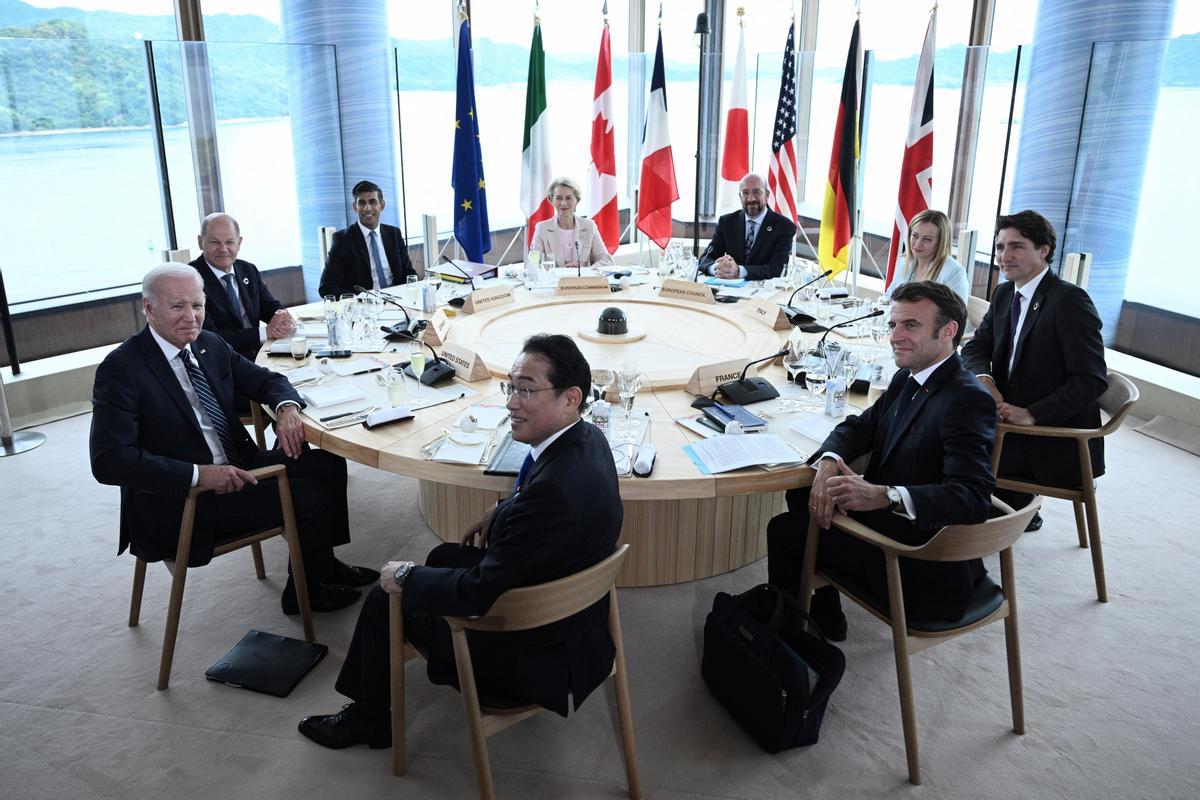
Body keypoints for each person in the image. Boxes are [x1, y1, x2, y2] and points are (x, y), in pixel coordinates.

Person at [298, 334, 622, 750]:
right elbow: (547, 501)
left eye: (525, 390)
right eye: (511, 387)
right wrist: (504, 508)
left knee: (387, 593)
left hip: (532, 651)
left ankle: (369, 719)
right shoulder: (590, 439)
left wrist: (406, 575)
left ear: (570, 398)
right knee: (443, 555)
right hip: (581, 624)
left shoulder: (552, 496)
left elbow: (475, 594)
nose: (511, 403)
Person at [90, 263, 379, 615]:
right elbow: (109, 460)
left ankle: (320, 569)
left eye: (197, 306)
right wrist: (199, 474)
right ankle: (305, 592)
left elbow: (266, 380)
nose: (191, 317)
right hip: (185, 500)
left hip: (237, 465)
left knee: (327, 463)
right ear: (148, 308)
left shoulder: (208, 344)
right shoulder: (122, 368)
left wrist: (287, 408)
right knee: (308, 494)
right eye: (177, 306)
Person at [767, 281, 997, 640]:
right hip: (896, 529)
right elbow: (860, 426)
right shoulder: (910, 376)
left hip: (921, 560)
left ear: (948, 331)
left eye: (911, 325)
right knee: (807, 491)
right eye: (893, 325)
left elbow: (973, 498)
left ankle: (785, 644)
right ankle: (824, 617)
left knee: (784, 531)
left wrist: (883, 495)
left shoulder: (967, 400)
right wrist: (829, 460)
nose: (895, 336)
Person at [961, 210, 1107, 531]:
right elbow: (975, 348)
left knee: (949, 443)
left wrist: (1033, 414)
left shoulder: (1070, 302)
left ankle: (1004, 510)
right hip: (1005, 418)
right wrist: (985, 380)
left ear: (1043, 251)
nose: (1004, 256)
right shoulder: (1004, 293)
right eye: (1000, 247)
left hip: (1050, 438)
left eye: (1016, 247)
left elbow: (1092, 380)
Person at [190, 212, 297, 362]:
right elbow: (210, 337)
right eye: (215, 242)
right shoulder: (190, 280)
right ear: (201, 242)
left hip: (260, 354)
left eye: (230, 242)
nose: (223, 249)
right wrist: (265, 333)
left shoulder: (248, 270)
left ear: (239, 243)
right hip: (222, 362)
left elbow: (270, 307)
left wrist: (283, 319)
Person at [318, 180, 416, 297]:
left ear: (382, 205)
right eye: (362, 203)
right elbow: (326, 287)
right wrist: (361, 297)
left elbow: (409, 274)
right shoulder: (342, 240)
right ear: (355, 206)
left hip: (398, 300)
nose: (367, 208)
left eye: (373, 202)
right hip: (365, 306)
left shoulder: (394, 234)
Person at [699, 173, 797, 281]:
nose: (750, 198)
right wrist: (717, 269)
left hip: (763, 293)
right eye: (745, 193)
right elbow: (706, 259)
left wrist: (739, 271)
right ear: (740, 197)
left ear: (767, 195)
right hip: (728, 290)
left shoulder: (784, 226)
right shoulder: (727, 222)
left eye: (756, 192)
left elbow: (778, 268)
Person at [884, 208, 971, 303]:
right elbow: (889, 297)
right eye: (915, 236)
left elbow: (955, 315)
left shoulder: (955, 272)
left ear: (940, 242)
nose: (917, 244)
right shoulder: (905, 261)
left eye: (927, 239)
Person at [528, 177, 615, 268]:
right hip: (555, 281)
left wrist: (583, 270)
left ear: (577, 200)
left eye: (568, 198)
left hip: (581, 281)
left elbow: (606, 260)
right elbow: (532, 263)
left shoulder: (589, 226)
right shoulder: (542, 228)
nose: (563, 203)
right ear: (551, 200)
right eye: (558, 198)